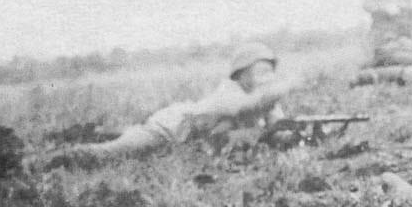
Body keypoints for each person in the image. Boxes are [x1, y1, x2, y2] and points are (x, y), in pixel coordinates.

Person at [53, 44, 298, 164]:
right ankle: (57, 157)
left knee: (124, 135)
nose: (268, 78)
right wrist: (289, 84)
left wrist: (292, 134)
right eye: (261, 71)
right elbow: (244, 108)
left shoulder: (266, 101)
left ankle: (96, 131)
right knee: (114, 152)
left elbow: (277, 129)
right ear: (241, 74)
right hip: (167, 131)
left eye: (271, 72)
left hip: (186, 141)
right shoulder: (230, 93)